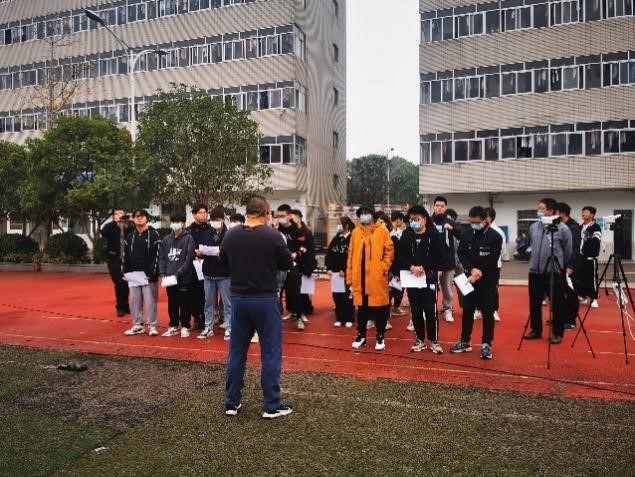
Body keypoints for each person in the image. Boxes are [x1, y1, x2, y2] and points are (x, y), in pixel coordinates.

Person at [220, 195, 294, 419]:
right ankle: (272, 405)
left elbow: (224, 263)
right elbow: (287, 264)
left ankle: (231, 402)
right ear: (265, 213)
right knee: (270, 352)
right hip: (265, 299)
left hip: (239, 299)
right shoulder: (273, 235)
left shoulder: (231, 235)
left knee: (236, 352)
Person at [450, 206, 502, 359]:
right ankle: (465, 341)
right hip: (469, 279)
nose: (474, 225)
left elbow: (493, 259)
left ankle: (486, 344)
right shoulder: (467, 233)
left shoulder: (495, 236)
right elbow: (461, 253)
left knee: (487, 312)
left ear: (485, 220)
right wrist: (471, 269)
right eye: (471, 222)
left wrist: (478, 273)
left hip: (488, 280)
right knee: (467, 311)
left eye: (477, 222)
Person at [395, 205, 445, 353]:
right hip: (412, 278)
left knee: (430, 310)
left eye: (416, 219)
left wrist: (423, 267)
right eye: (411, 220)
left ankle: (434, 341)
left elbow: (438, 256)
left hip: (428, 277)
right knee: (415, 310)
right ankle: (420, 340)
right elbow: (399, 256)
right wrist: (411, 267)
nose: (413, 222)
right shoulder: (406, 235)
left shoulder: (433, 235)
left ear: (424, 220)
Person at [523, 198, 572, 344]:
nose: (539, 211)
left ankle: (557, 333)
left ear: (551, 211)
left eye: (542, 208)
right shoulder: (534, 227)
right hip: (535, 271)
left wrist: (561, 264)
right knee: (534, 302)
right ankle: (536, 330)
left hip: (554, 271)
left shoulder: (563, 229)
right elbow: (531, 244)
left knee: (556, 303)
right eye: (538, 208)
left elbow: (568, 250)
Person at [347, 205, 394, 351]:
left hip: (376, 278)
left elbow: (389, 251)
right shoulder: (355, 232)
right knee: (362, 310)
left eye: (367, 213)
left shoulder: (382, 230)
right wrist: (350, 278)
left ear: (373, 215)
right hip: (360, 278)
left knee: (380, 309)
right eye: (362, 213)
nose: (364, 215)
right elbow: (350, 256)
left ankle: (380, 337)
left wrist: (383, 268)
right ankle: (361, 336)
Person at [122, 209, 161, 336]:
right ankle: (138, 325)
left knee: (150, 302)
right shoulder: (130, 236)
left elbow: (157, 255)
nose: (139, 218)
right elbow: (125, 256)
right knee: (134, 301)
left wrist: (151, 273)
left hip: (149, 277)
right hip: (133, 276)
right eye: (137, 216)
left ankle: (152, 326)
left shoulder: (154, 234)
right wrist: (125, 272)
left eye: (142, 216)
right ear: (133, 219)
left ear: (147, 218)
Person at [159, 211, 196, 338]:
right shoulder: (166, 239)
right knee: (172, 302)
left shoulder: (189, 238)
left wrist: (178, 274)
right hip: (169, 278)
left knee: (184, 302)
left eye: (178, 222)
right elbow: (162, 258)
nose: (175, 224)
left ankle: (185, 325)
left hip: (183, 278)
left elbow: (188, 259)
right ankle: (173, 325)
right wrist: (163, 273)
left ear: (183, 224)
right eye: (173, 222)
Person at [197, 207, 232, 340]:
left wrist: (221, 254)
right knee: (209, 303)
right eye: (212, 220)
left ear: (223, 219)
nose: (214, 222)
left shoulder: (229, 235)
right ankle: (208, 327)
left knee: (227, 303)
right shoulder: (206, 234)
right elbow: (202, 251)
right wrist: (200, 253)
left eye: (217, 220)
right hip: (209, 272)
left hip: (224, 274)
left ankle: (229, 327)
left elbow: (232, 255)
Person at [474, 207, 507, 322]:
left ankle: (493, 310)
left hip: (494, 265)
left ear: (491, 218)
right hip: (478, 265)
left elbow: (503, 250)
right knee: (477, 287)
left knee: (492, 289)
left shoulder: (498, 232)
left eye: (486, 216)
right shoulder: (477, 230)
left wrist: (496, 259)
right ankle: (478, 309)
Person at [277, 204, 306, 330]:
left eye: (282, 216)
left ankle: (299, 317)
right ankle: (276, 318)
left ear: (289, 216)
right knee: (276, 294)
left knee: (295, 293)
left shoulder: (297, 229)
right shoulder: (276, 229)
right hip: (278, 267)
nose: (280, 218)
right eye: (278, 216)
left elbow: (304, 246)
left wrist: (296, 254)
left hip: (292, 265)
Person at [325, 216, 355, 327]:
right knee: (337, 296)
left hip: (348, 275)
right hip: (336, 274)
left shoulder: (353, 238)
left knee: (348, 297)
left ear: (346, 226)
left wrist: (346, 271)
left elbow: (354, 258)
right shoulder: (336, 238)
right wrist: (329, 268)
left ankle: (349, 318)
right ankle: (339, 317)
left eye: (339, 224)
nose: (337, 226)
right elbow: (329, 255)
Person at [431, 196, 457, 323]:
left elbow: (461, 235)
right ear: (433, 206)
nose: (439, 208)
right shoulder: (428, 221)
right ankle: (430, 310)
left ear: (446, 207)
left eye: (442, 206)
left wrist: (453, 229)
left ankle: (447, 309)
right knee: (431, 288)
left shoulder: (450, 222)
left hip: (447, 263)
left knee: (447, 289)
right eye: (437, 205)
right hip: (432, 263)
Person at [101, 208, 131, 316]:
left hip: (127, 259)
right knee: (119, 283)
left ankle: (125, 305)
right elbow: (104, 232)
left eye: (121, 213)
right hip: (114, 259)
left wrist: (131, 220)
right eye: (117, 214)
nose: (119, 215)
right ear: (113, 216)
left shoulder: (129, 227)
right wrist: (115, 222)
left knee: (126, 283)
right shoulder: (111, 227)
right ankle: (120, 307)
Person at [290, 209, 317, 326]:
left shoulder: (307, 232)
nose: (291, 219)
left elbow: (310, 250)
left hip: (305, 263)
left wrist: (310, 266)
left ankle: (306, 310)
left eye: (293, 217)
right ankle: (295, 311)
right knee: (295, 290)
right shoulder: (292, 232)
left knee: (305, 289)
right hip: (294, 264)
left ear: (299, 218)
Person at [557, 202, 582, 330]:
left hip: (570, 265)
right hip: (559, 264)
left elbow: (575, 248)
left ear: (562, 213)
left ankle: (571, 320)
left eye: (555, 212)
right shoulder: (559, 226)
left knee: (571, 293)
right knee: (560, 293)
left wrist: (571, 266)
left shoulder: (573, 227)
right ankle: (560, 317)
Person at [187, 204, 211, 331]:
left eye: (205, 212)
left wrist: (204, 251)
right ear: (194, 214)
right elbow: (185, 247)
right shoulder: (188, 230)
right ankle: (196, 318)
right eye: (200, 212)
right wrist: (194, 252)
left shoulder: (210, 229)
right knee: (194, 292)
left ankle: (207, 319)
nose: (203, 215)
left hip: (207, 263)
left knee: (206, 292)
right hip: (193, 264)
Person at [579, 206, 601, 308]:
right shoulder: (580, 227)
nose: (583, 214)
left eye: (586, 212)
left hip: (590, 258)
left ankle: (594, 298)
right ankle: (583, 296)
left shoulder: (596, 227)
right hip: (580, 258)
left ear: (592, 215)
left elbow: (595, 242)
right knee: (581, 278)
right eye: (582, 212)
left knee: (591, 279)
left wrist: (585, 251)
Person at [389, 211, 407, 318]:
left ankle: (396, 307)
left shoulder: (400, 232)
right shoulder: (390, 233)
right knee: (391, 286)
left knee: (400, 287)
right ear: (399, 220)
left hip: (400, 264)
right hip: (392, 264)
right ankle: (389, 307)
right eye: (402, 220)